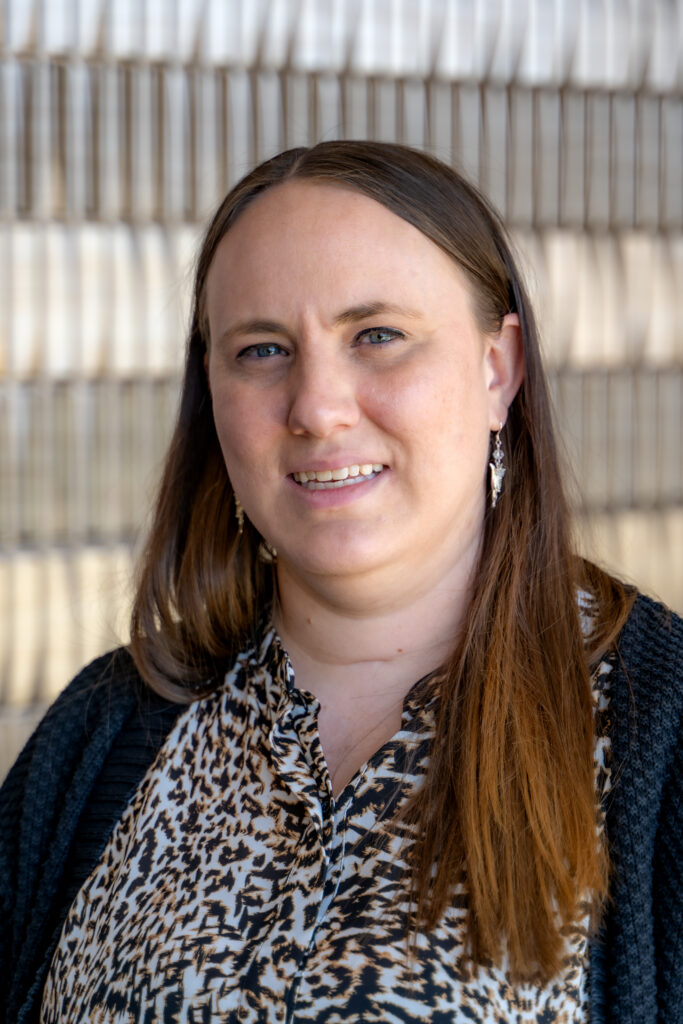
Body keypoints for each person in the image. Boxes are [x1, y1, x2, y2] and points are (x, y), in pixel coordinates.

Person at [1, 142, 681, 1024]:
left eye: (377, 336)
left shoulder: (659, 731)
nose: (317, 406)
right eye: (261, 350)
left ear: (496, 370)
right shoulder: (99, 736)